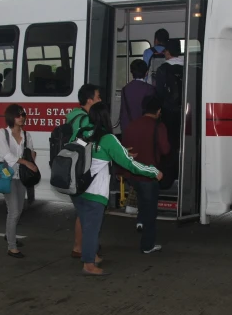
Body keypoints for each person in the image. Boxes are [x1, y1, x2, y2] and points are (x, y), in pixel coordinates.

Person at [72, 102, 162, 276]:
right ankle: (88, 265)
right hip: (94, 192)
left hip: (78, 188)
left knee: (86, 224)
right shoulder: (107, 138)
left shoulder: (81, 133)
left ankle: (92, 255)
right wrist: (153, 171)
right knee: (92, 228)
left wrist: (121, 152)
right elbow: (130, 165)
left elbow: (95, 153)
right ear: (106, 117)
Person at [122, 95, 170, 254]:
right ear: (159, 111)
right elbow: (165, 149)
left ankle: (140, 221)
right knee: (150, 211)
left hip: (133, 173)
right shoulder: (159, 126)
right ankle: (147, 245)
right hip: (149, 175)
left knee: (142, 199)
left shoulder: (131, 125)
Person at [0, 104, 38, 259]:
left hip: (22, 177)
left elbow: (31, 152)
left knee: (18, 210)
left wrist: (31, 157)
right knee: (14, 211)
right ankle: (11, 247)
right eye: (18, 115)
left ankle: (9, 235)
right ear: (11, 117)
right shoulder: (3, 133)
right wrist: (26, 162)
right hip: (8, 176)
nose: (21, 118)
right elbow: (6, 155)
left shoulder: (27, 135)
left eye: (23, 115)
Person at [67, 84, 102, 261]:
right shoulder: (86, 121)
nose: (100, 100)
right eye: (98, 97)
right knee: (88, 212)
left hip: (73, 167)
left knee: (82, 212)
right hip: (82, 168)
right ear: (89, 100)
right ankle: (90, 255)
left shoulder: (73, 115)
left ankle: (78, 247)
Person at [154, 44, 184, 186]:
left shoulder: (163, 69)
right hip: (186, 112)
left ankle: (168, 178)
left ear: (168, 51)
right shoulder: (188, 67)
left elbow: (159, 93)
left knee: (169, 144)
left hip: (168, 112)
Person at [119, 59, 156, 131]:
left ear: (131, 72)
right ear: (146, 73)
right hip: (144, 129)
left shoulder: (125, 89)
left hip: (128, 128)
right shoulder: (150, 89)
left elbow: (123, 113)